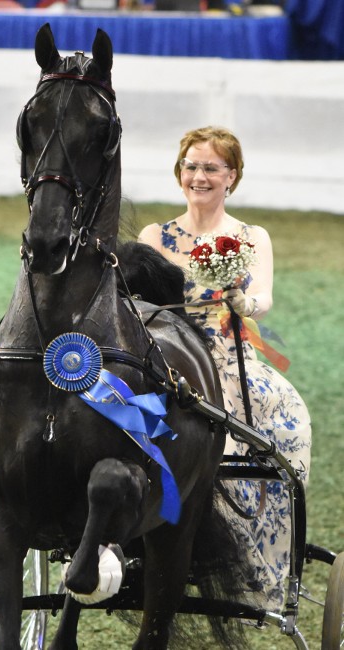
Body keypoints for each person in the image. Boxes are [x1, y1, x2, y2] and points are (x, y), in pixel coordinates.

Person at [138, 125, 311, 613]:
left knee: (284, 421)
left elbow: (264, 297)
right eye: (191, 166)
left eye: (211, 167)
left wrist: (242, 300)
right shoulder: (156, 236)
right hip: (169, 360)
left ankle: (254, 561)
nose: (199, 176)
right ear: (179, 173)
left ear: (231, 176)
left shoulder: (250, 237)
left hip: (229, 355)